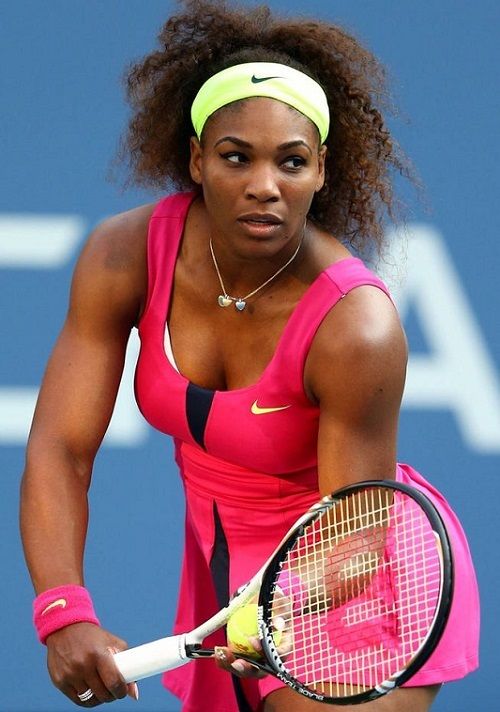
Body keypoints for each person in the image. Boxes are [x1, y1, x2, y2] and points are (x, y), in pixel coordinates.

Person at [20, 1, 479, 710]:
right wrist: (63, 610)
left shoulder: (356, 326)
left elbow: (357, 532)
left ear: (322, 170)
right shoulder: (124, 255)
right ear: (196, 157)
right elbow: (59, 449)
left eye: (291, 162)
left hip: (346, 574)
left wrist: (279, 603)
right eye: (237, 156)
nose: (265, 184)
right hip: (223, 572)